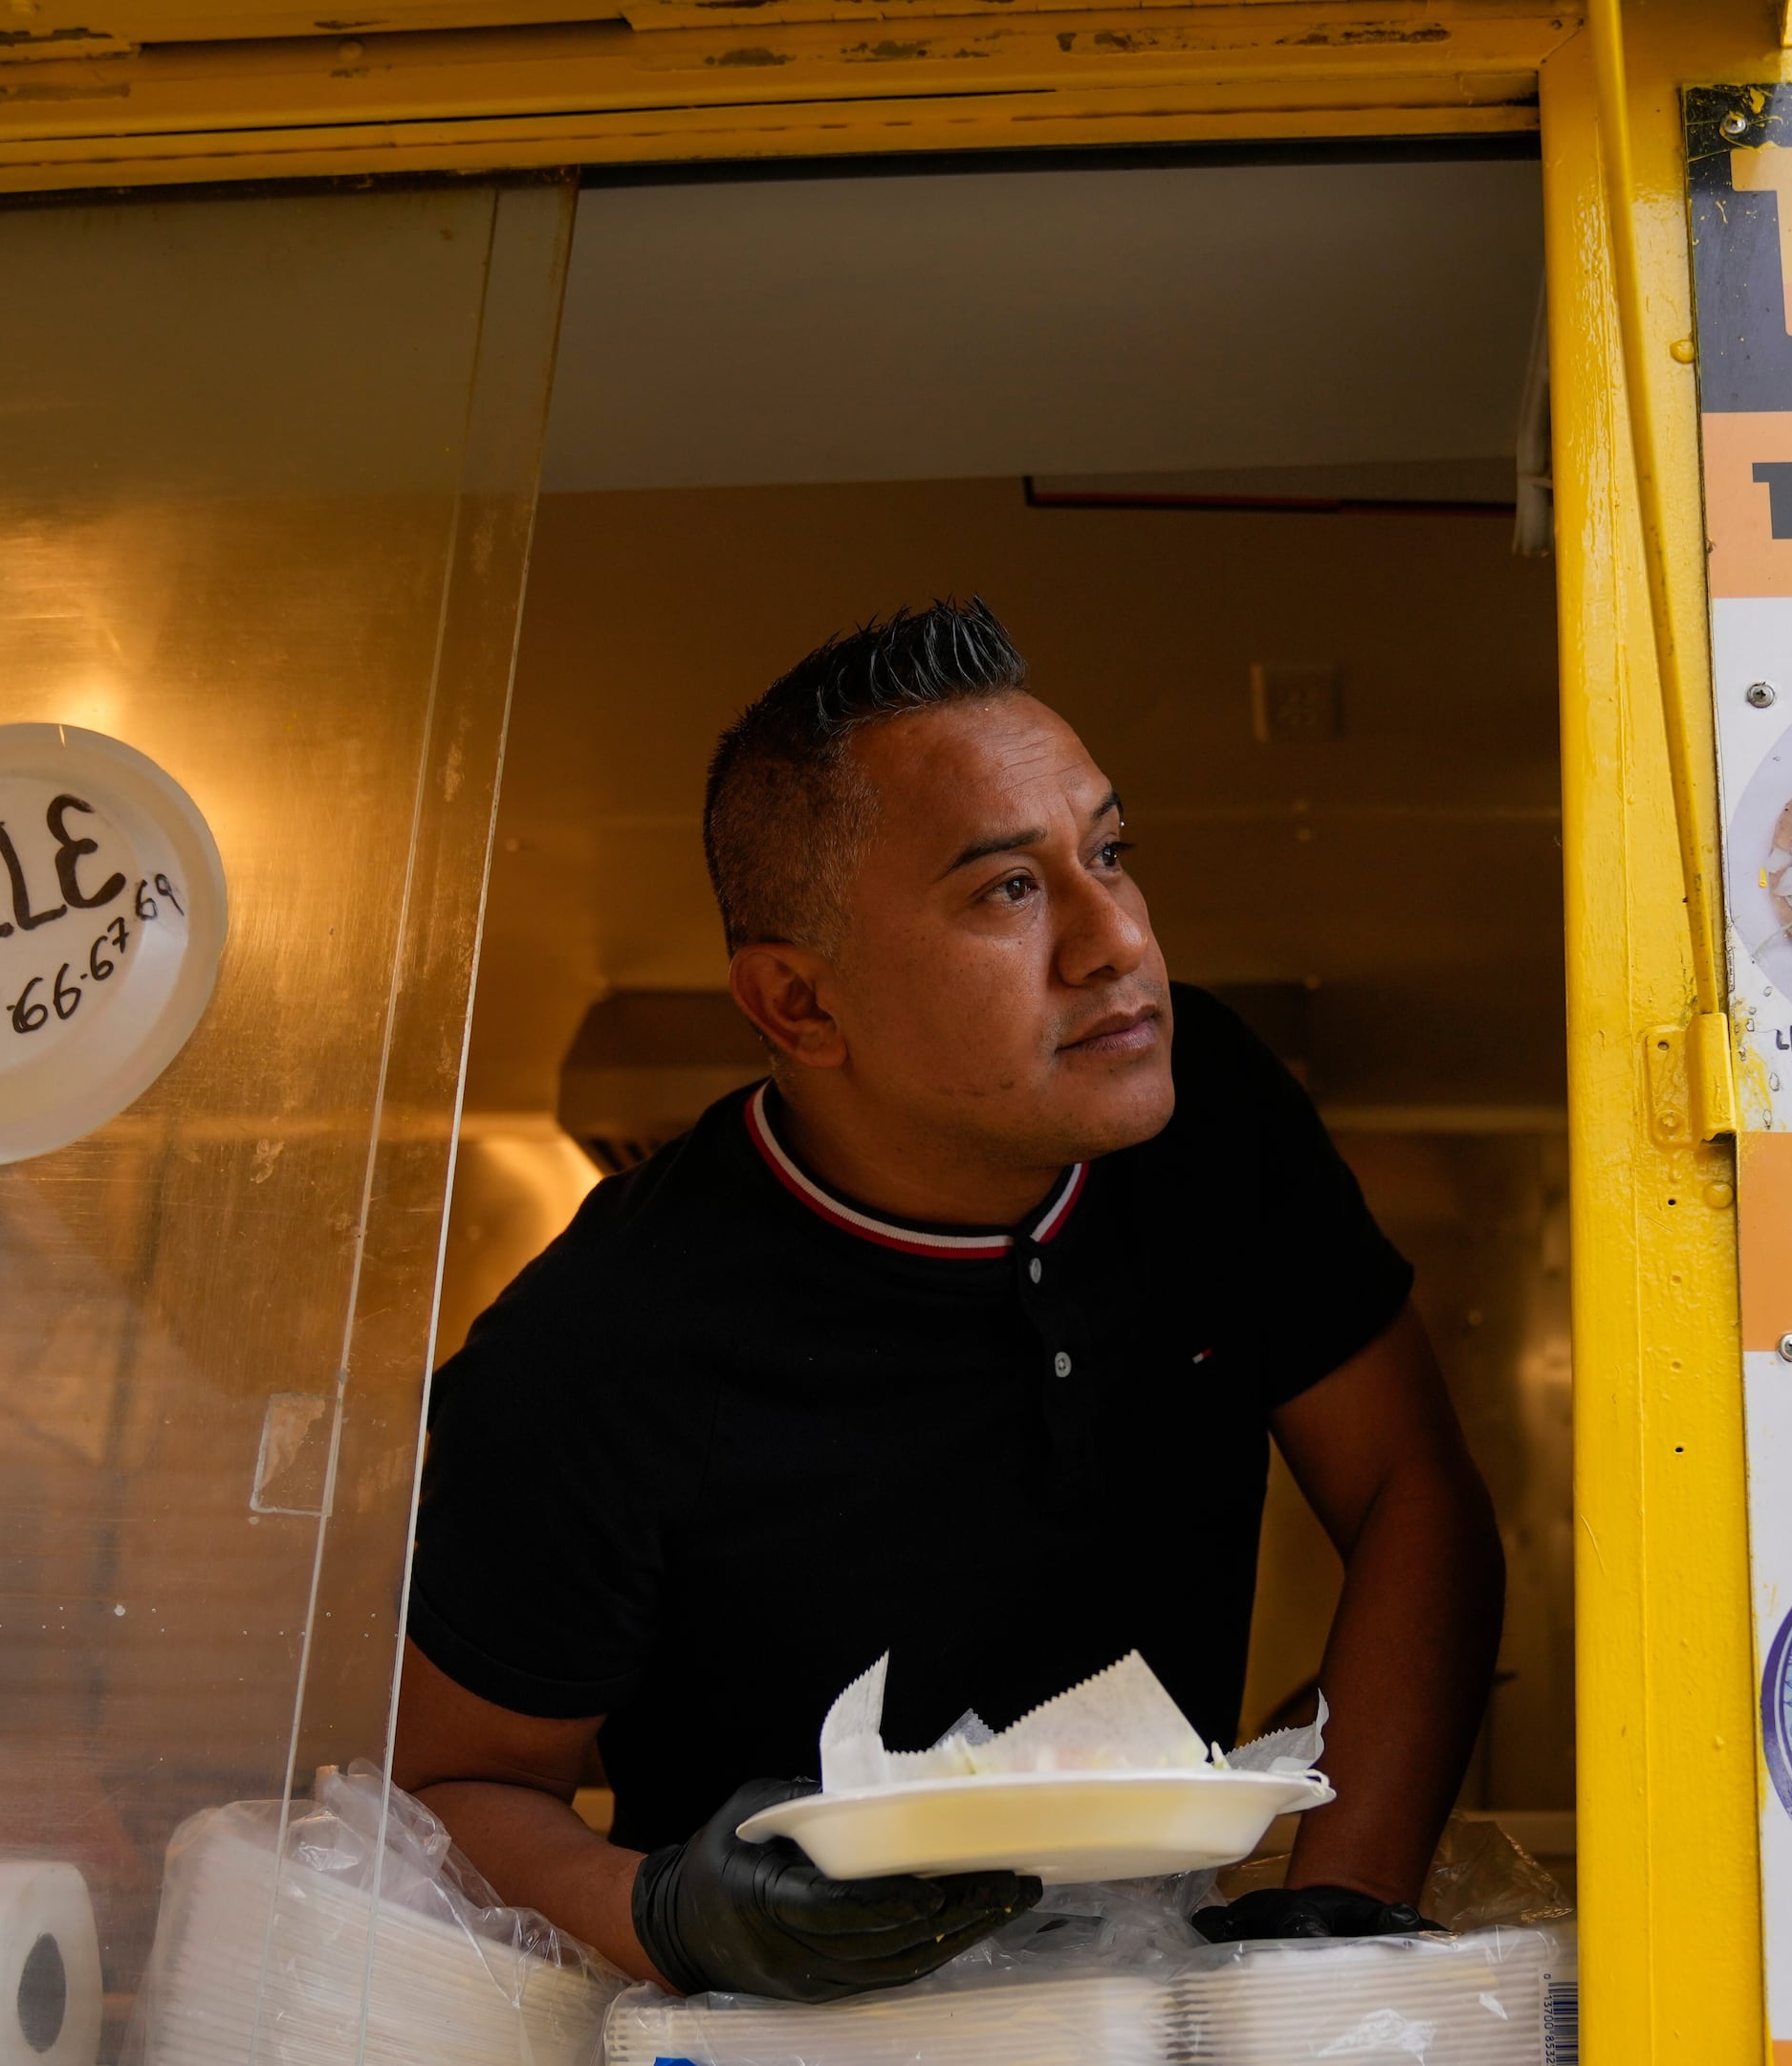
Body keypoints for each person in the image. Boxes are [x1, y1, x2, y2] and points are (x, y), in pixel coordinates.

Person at [393, 600, 1504, 2002]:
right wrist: (670, 1913)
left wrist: (1334, 1918)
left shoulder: (1207, 1114)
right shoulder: (596, 1350)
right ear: (798, 1005)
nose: (1118, 943)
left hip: (1154, 1998)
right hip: (794, 2034)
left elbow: (1414, 1482)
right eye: (1007, 890)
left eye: (1109, 852)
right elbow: (448, 1784)